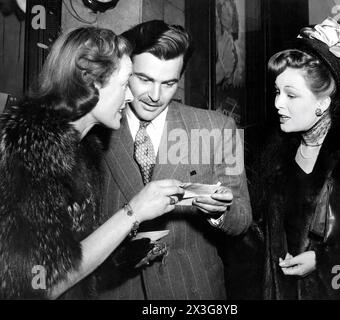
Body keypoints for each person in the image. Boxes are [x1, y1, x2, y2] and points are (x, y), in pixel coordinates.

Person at [0, 27, 184, 299]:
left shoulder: (85, 147)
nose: (131, 96)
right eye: (124, 84)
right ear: (91, 83)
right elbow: (39, 284)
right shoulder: (30, 153)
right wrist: (133, 212)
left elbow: (75, 254)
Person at [98, 20, 252, 300]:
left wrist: (218, 213)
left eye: (168, 83)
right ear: (124, 71)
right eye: (144, 79)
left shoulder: (218, 128)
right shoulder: (96, 132)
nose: (155, 96)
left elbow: (242, 219)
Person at [261, 17, 340, 299]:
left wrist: (324, 261)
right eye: (278, 92)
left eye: (291, 95)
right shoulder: (274, 154)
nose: (278, 103)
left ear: (323, 103)